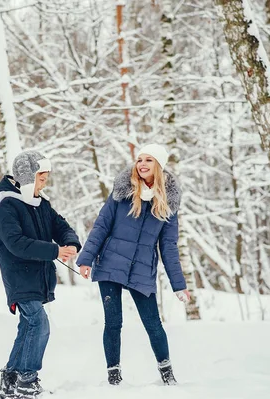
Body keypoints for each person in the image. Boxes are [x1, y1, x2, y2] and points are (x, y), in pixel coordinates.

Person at [0, 150, 81, 399]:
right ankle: (27, 381)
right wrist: (54, 250)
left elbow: (61, 225)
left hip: (37, 276)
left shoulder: (40, 203)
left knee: (28, 326)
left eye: (46, 177)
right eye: (41, 177)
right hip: (19, 276)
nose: (44, 182)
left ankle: (10, 382)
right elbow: (16, 243)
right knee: (40, 324)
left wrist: (69, 243)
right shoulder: (9, 205)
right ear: (27, 178)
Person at [76, 143, 190, 386]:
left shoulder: (168, 201)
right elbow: (101, 226)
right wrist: (86, 258)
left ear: (158, 165)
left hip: (142, 268)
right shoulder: (121, 193)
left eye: (149, 160)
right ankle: (113, 377)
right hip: (110, 263)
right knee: (113, 322)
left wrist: (178, 285)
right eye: (140, 159)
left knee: (153, 323)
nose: (142, 164)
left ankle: (167, 375)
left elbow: (169, 247)